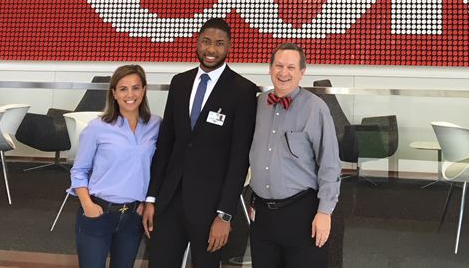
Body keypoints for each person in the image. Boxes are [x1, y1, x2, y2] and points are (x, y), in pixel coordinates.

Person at [143, 17, 257, 267]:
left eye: (219, 43)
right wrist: (151, 198)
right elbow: (165, 145)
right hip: (170, 201)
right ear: (197, 42)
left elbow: (239, 159)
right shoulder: (180, 82)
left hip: (211, 207)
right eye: (206, 41)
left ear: (229, 47)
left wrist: (225, 215)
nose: (211, 50)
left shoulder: (243, 90)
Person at [249, 43, 341, 268]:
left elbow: (330, 164)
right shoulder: (258, 104)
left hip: (301, 214)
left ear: (302, 72)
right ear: (270, 69)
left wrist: (324, 212)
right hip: (262, 216)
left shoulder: (315, 108)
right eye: (278, 66)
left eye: (291, 67)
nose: (283, 72)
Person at [71, 64, 161, 268]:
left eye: (136, 87)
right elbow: (79, 171)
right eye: (123, 88)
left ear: (144, 90)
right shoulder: (98, 127)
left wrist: (146, 202)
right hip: (98, 213)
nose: (130, 94)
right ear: (114, 93)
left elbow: (158, 168)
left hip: (132, 218)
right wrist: (88, 205)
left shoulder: (156, 125)